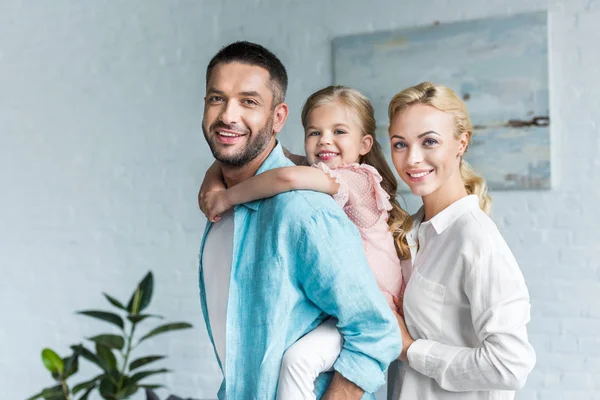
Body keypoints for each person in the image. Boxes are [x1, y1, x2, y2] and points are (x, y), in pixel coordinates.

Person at [197, 41, 401, 400]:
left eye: (248, 101)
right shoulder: (224, 207)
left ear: (278, 117)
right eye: (217, 98)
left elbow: (376, 332)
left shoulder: (304, 210)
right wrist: (217, 183)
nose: (228, 115)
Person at [386, 82, 536, 400]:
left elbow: (510, 366)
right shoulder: (407, 232)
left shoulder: (476, 240)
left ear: (461, 143)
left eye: (429, 141)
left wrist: (411, 350)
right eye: (400, 144)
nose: (412, 158)